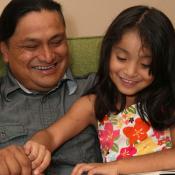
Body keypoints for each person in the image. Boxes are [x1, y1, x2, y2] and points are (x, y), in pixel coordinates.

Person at [24, 5, 175, 175]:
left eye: (146, 65)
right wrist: (38, 146)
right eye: (122, 58)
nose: (130, 72)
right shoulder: (94, 105)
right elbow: (51, 135)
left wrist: (116, 167)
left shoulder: (167, 102)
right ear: (108, 52)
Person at [0, 0, 102, 174]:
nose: (48, 57)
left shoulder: (98, 89)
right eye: (31, 46)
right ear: (5, 51)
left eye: (56, 42)